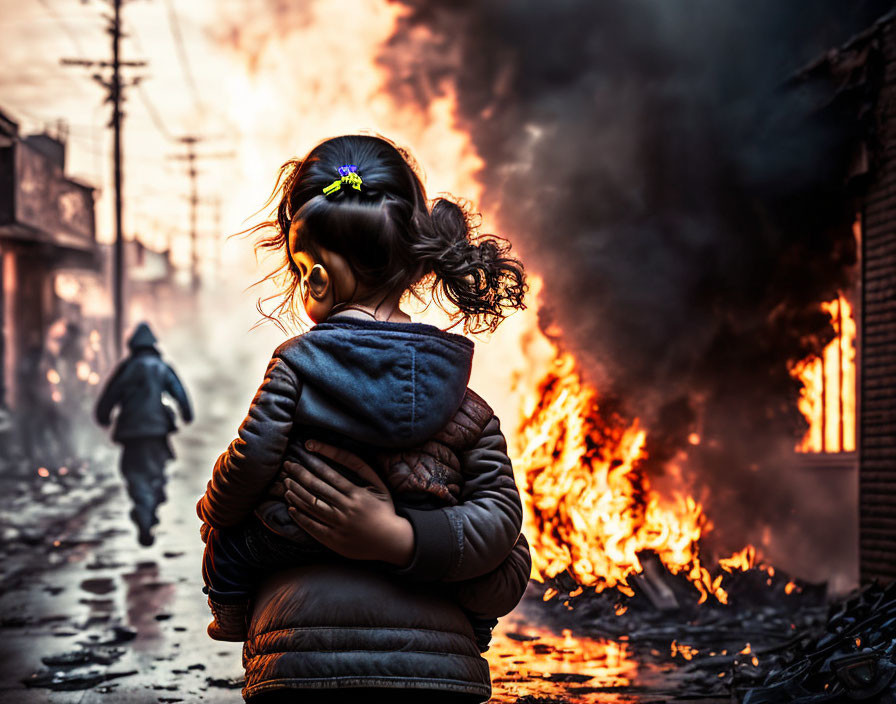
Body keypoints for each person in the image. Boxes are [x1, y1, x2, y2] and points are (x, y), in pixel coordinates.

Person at [197, 134, 531, 702]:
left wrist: (216, 507)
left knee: (227, 538)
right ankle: (476, 631)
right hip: (439, 677)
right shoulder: (465, 400)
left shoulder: (295, 367)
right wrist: (404, 540)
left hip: (298, 667)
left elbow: (252, 457)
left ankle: (227, 618)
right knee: (505, 558)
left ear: (316, 279)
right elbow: (500, 525)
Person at [96, 322, 193, 546]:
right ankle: (148, 509)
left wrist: (103, 416)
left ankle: (144, 510)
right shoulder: (161, 366)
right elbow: (178, 390)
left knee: (134, 474)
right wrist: (186, 413)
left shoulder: (126, 368)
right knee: (156, 473)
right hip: (157, 431)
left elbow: (110, 395)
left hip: (131, 433)